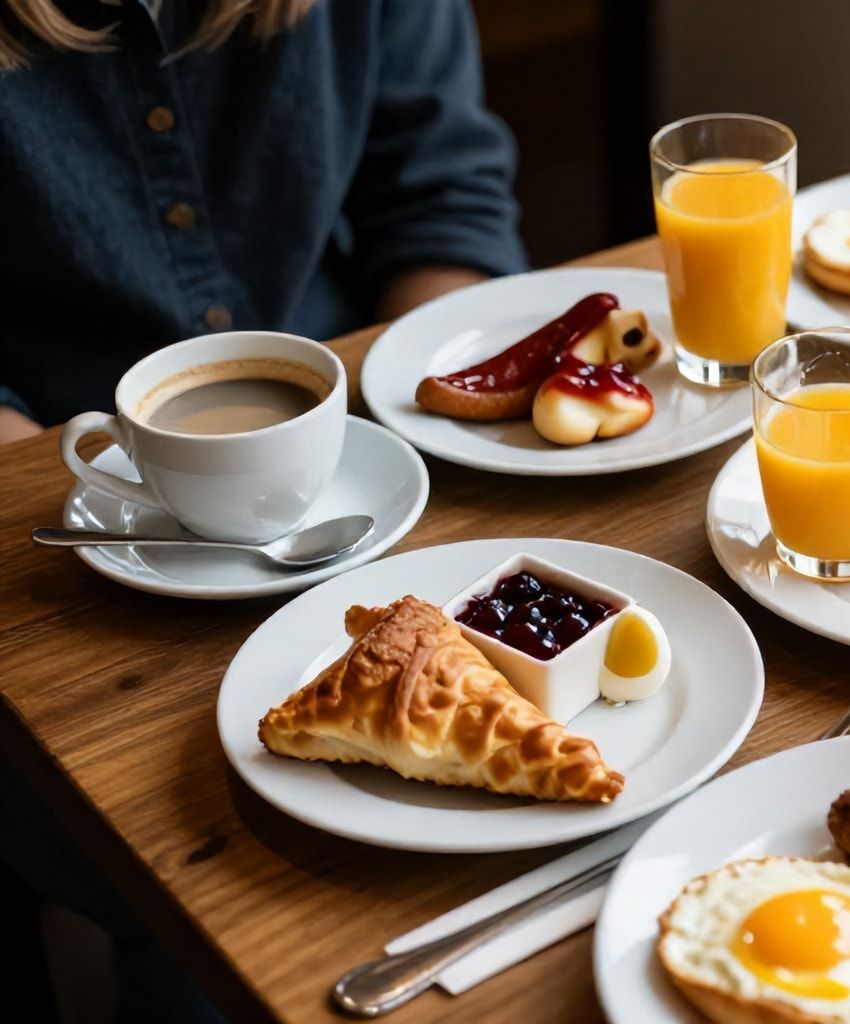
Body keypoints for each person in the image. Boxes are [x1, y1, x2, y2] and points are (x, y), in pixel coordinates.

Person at [0, 1, 525, 1018]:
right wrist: (112, 497)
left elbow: (442, 195)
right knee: (210, 923)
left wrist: (436, 406)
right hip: (51, 565)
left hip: (364, 447)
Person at [0, 0, 528, 445]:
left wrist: (413, 422)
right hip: (60, 449)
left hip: (361, 404)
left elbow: (441, 202)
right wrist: (75, 493)